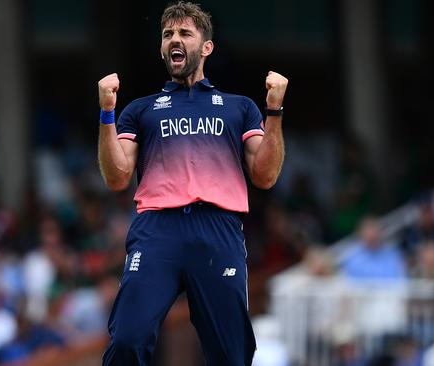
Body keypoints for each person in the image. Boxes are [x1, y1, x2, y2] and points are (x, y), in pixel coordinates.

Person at [96, 2, 287, 365]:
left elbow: (265, 175)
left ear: (206, 46)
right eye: (168, 35)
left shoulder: (239, 107)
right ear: (161, 48)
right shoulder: (140, 109)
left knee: (232, 354)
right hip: (158, 229)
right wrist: (107, 112)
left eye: (185, 33)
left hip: (217, 228)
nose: (174, 40)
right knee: (127, 340)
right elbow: (117, 176)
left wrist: (273, 111)